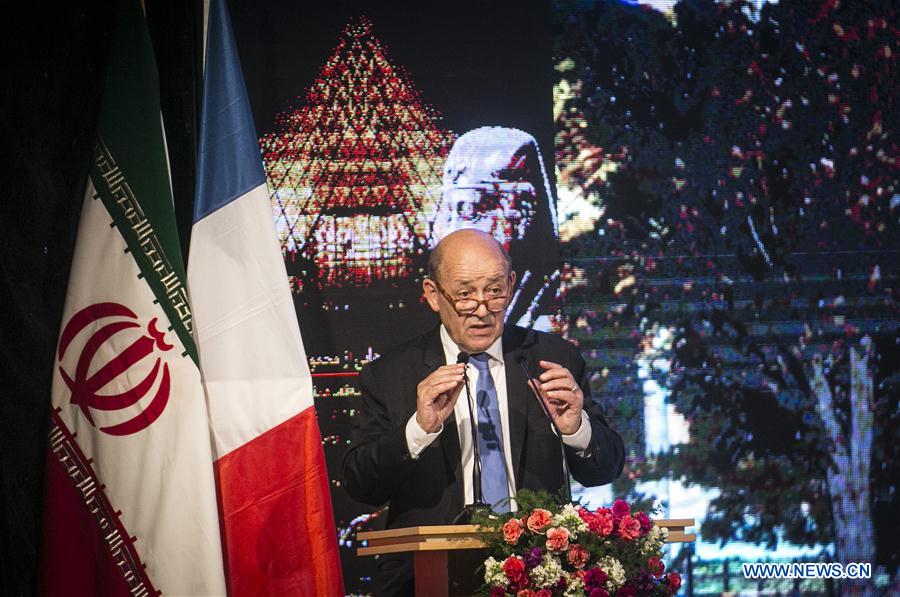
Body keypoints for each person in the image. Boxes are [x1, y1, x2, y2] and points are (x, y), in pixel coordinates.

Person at [341, 229, 624, 595]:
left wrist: (576, 429)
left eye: (494, 291)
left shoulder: (552, 359)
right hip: (427, 579)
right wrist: (418, 431)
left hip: (541, 574)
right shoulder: (390, 374)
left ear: (511, 284)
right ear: (433, 294)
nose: (482, 309)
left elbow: (605, 469)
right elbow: (361, 484)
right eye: (464, 294)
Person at [433, 127, 561, 329]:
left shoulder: (554, 313)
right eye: (449, 213)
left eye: (470, 212)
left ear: (524, 214)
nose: (453, 231)